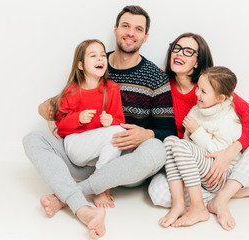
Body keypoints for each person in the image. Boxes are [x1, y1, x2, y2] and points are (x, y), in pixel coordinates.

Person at [23, 5, 176, 239]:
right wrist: (47, 108)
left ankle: (71, 196)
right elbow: (59, 106)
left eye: (138, 29)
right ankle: (86, 196)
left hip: (127, 165)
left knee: (157, 150)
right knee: (33, 138)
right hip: (84, 155)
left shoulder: (156, 77)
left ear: (145, 37)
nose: (130, 33)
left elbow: (168, 130)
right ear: (115, 29)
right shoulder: (96, 64)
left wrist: (145, 135)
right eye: (125, 26)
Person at [148, 32, 249, 231]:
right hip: (186, 159)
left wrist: (229, 153)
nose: (179, 53)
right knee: (157, 194)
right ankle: (230, 192)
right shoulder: (161, 87)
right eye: (176, 47)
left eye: (188, 51)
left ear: (196, 62)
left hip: (217, 158)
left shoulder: (211, 88)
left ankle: (223, 197)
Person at [160, 66, 242, 228]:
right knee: (170, 141)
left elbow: (218, 152)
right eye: (198, 88)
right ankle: (179, 204)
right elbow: (185, 143)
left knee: (181, 145)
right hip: (199, 166)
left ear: (220, 98)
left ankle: (198, 208)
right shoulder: (197, 109)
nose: (197, 93)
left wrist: (196, 131)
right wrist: (190, 136)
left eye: (203, 91)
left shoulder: (228, 120)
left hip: (217, 175)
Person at [52, 39, 126, 207]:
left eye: (102, 55)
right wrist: (77, 118)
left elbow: (120, 122)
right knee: (115, 133)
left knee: (117, 133)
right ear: (80, 65)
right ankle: (99, 187)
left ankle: (98, 181)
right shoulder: (71, 91)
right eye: (93, 56)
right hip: (77, 146)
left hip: (100, 152)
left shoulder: (112, 88)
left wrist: (111, 120)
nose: (100, 59)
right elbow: (60, 125)